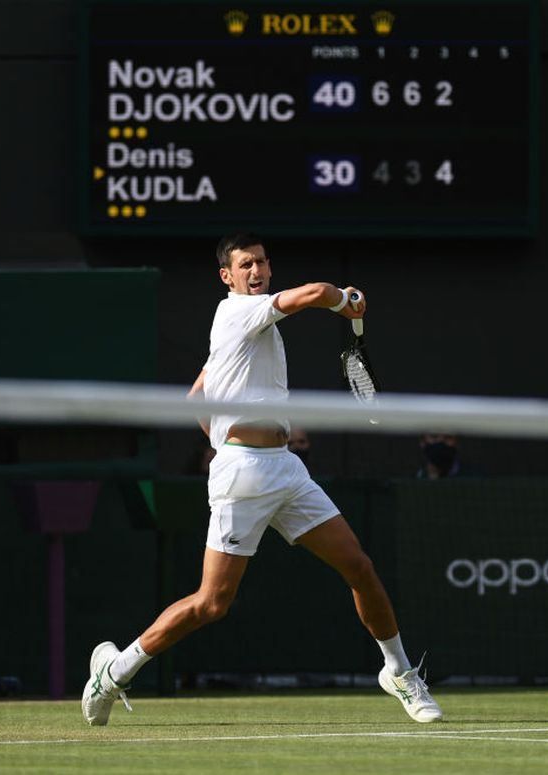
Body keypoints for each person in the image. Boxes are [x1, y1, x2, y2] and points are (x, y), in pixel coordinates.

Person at [81, 232, 442, 725]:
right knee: (212, 604)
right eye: (246, 264)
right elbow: (315, 293)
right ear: (227, 276)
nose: (257, 271)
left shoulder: (250, 332)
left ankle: (399, 672)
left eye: (263, 263)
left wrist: (225, 436)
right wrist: (348, 302)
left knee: (358, 565)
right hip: (242, 476)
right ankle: (114, 671)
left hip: (286, 470)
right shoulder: (235, 311)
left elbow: (195, 400)